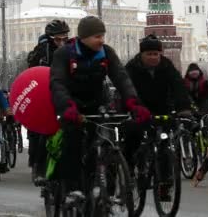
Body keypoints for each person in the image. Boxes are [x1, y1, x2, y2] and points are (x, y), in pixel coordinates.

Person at [50, 16, 150, 193]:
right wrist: (67, 107)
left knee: (108, 145)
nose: (101, 40)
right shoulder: (64, 54)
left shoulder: (107, 53)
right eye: (97, 36)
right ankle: (72, 190)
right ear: (84, 37)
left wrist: (133, 103)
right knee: (72, 141)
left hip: (98, 104)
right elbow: (58, 83)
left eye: (103, 36)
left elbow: (121, 78)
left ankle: (107, 194)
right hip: (73, 106)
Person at [125, 35, 191, 200]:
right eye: (149, 54)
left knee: (164, 145)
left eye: (156, 53)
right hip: (139, 109)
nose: (153, 57)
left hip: (162, 109)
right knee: (132, 140)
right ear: (142, 55)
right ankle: (129, 173)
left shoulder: (167, 66)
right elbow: (126, 90)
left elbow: (178, 86)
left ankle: (165, 185)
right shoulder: (132, 68)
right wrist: (134, 109)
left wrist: (183, 108)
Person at [27, 19, 71, 184]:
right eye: (57, 39)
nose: (61, 43)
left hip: (66, 93)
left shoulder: (71, 51)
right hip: (45, 94)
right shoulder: (42, 52)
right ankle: (39, 167)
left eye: (64, 39)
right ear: (50, 38)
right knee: (41, 131)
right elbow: (33, 73)